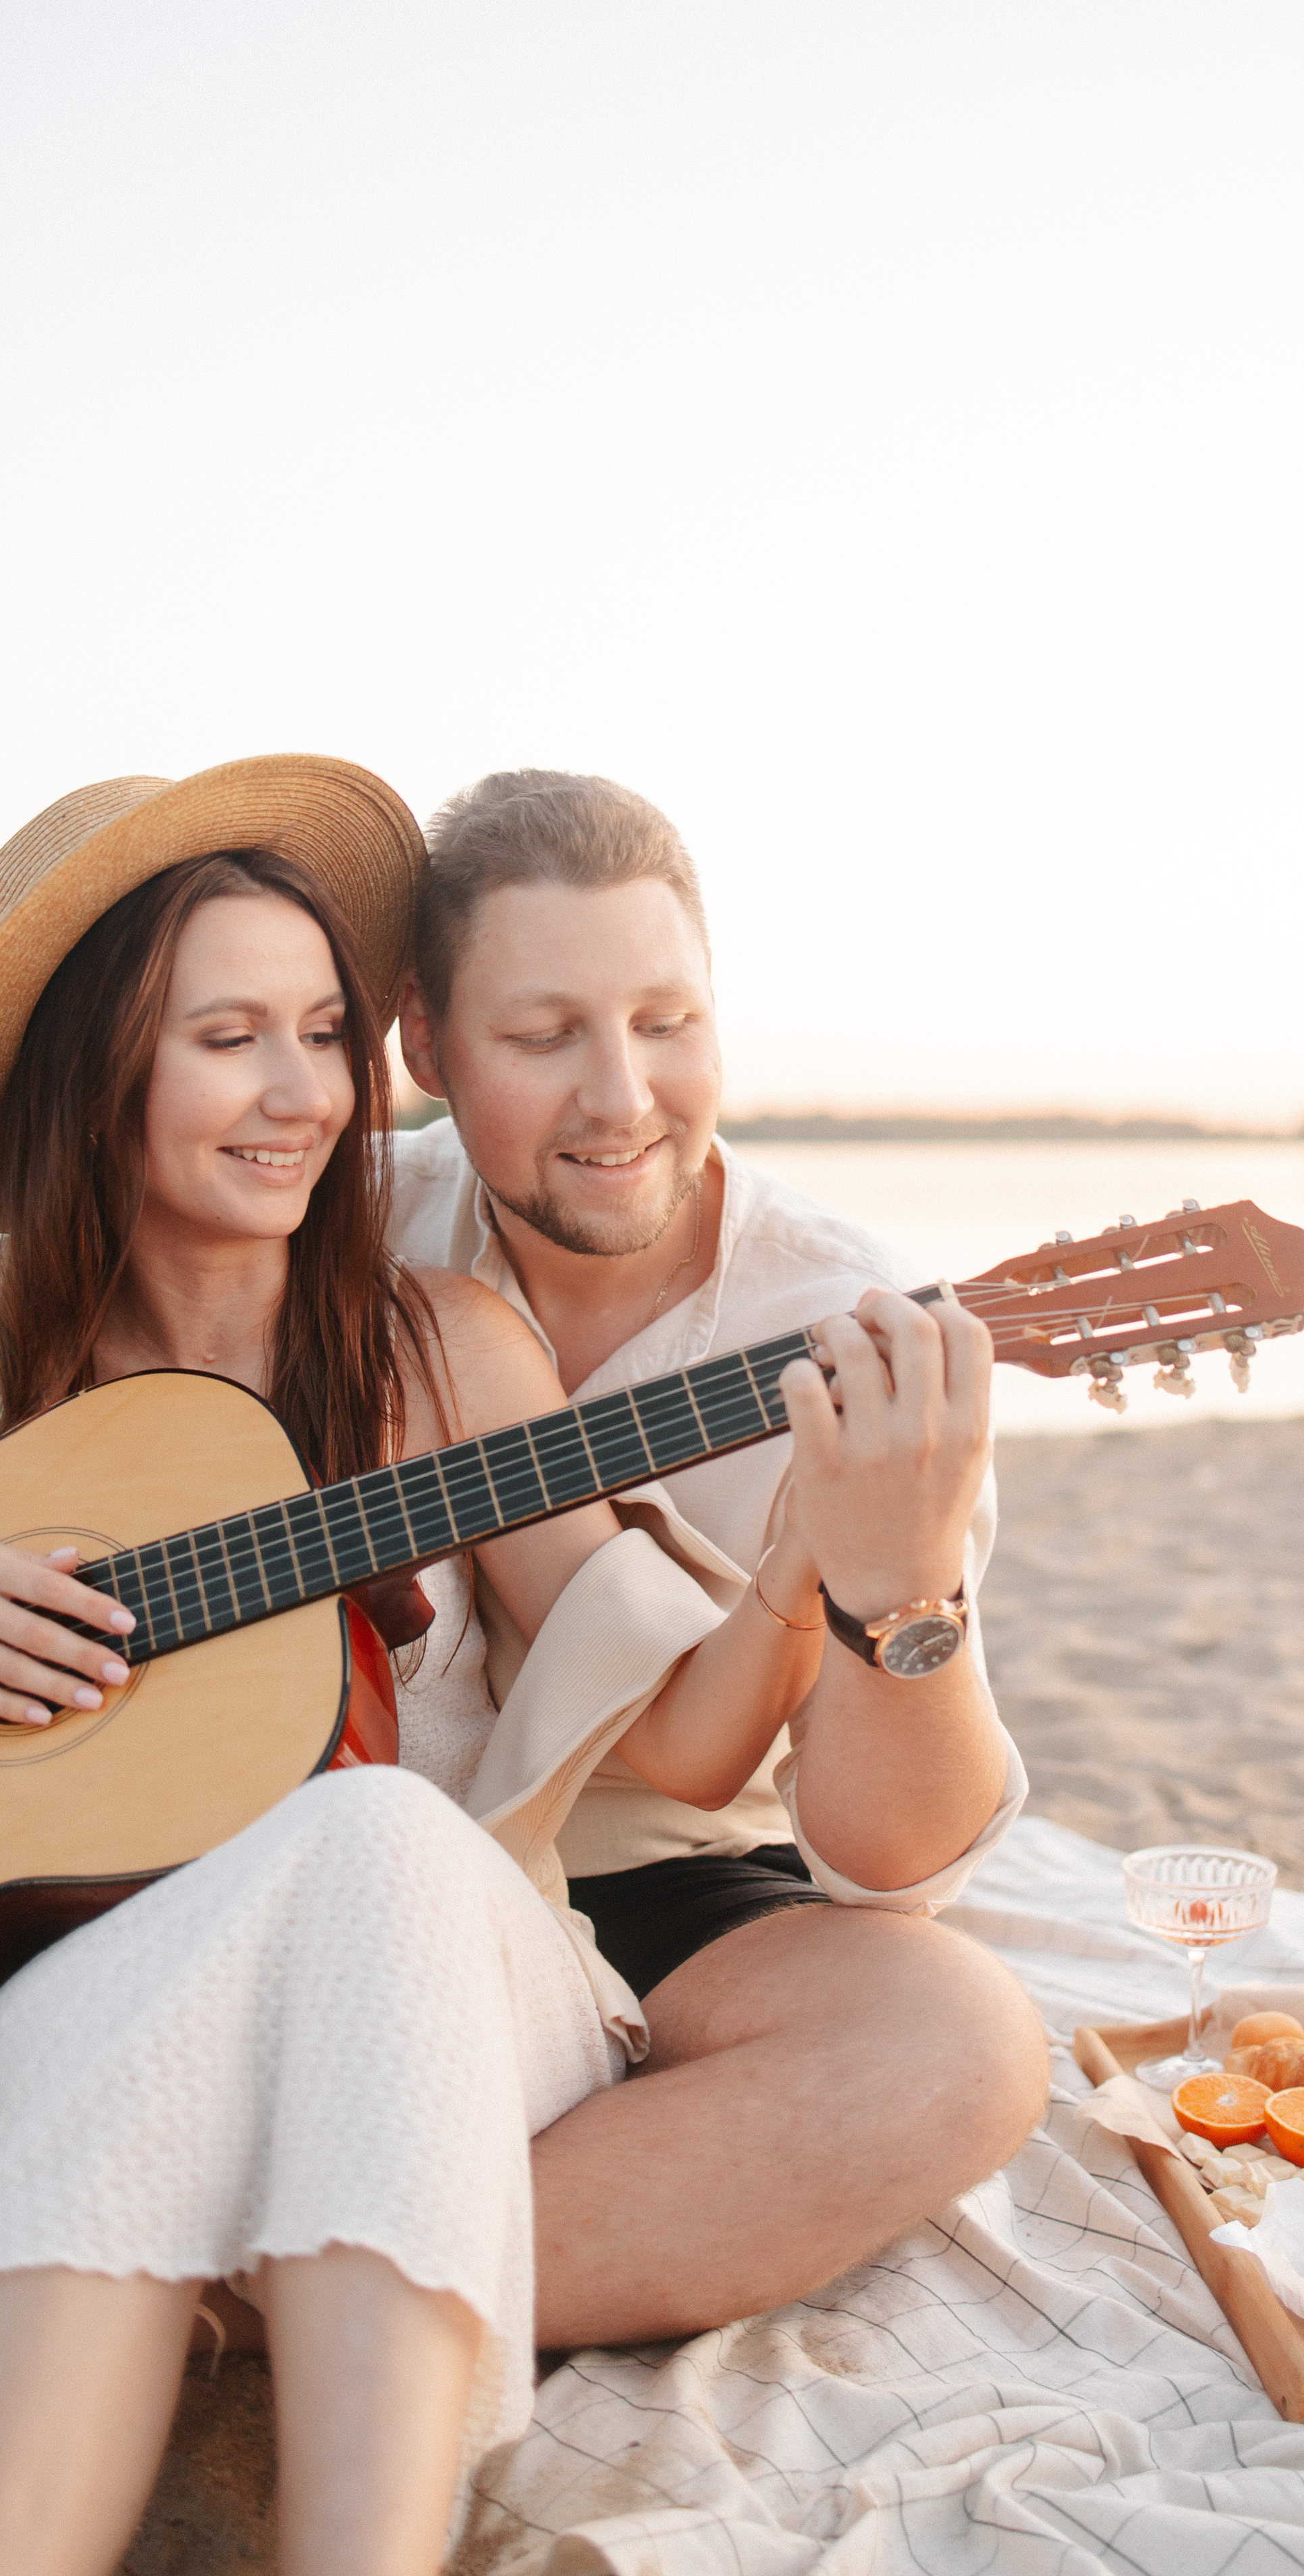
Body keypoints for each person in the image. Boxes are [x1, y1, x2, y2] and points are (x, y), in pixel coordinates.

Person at [0, 759, 1013, 2576]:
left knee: (376, 1837)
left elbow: (688, 1737)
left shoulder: (436, 1344)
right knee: (305, 1900)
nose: (304, 1091)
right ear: (98, 1073)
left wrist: (822, 1557)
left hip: (412, 1964)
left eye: (319, 1033)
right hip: (43, 1997)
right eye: (229, 1036)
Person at [394, 767, 1047, 2347]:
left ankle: (270, 2301)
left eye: (666, 1021)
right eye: (544, 1035)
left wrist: (898, 1589)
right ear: (423, 1045)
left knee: (949, 2041)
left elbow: (889, 1868)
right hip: (359, 1829)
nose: (621, 1097)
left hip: (669, 1886)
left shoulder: (854, 1330)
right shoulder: (331, 1227)